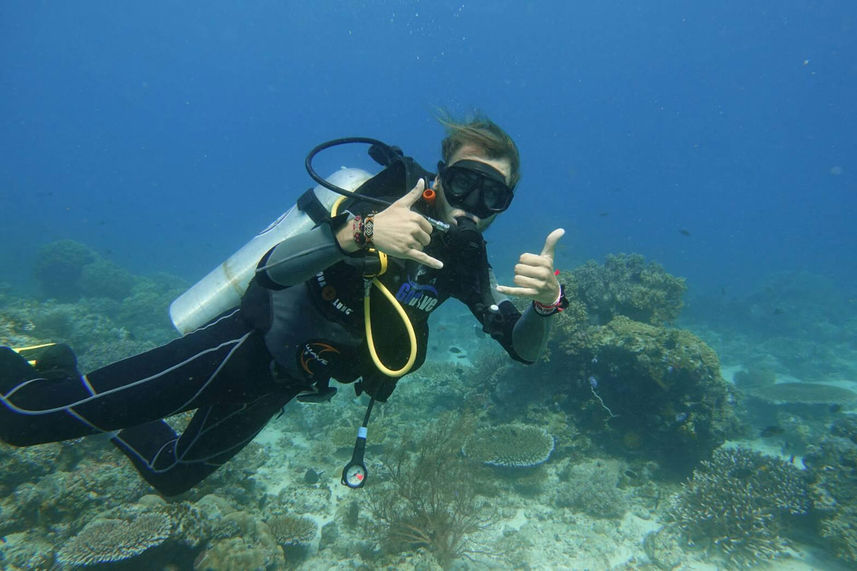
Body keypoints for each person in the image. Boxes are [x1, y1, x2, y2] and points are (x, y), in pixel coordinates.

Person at [0, 115, 566, 496]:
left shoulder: (467, 262)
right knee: (20, 419)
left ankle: (72, 370)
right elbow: (272, 270)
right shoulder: (379, 198)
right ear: (441, 176)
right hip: (243, 345)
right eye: (466, 182)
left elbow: (522, 352)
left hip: (284, 380)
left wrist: (545, 307)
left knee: (173, 477)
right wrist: (362, 231)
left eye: (495, 195)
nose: (475, 205)